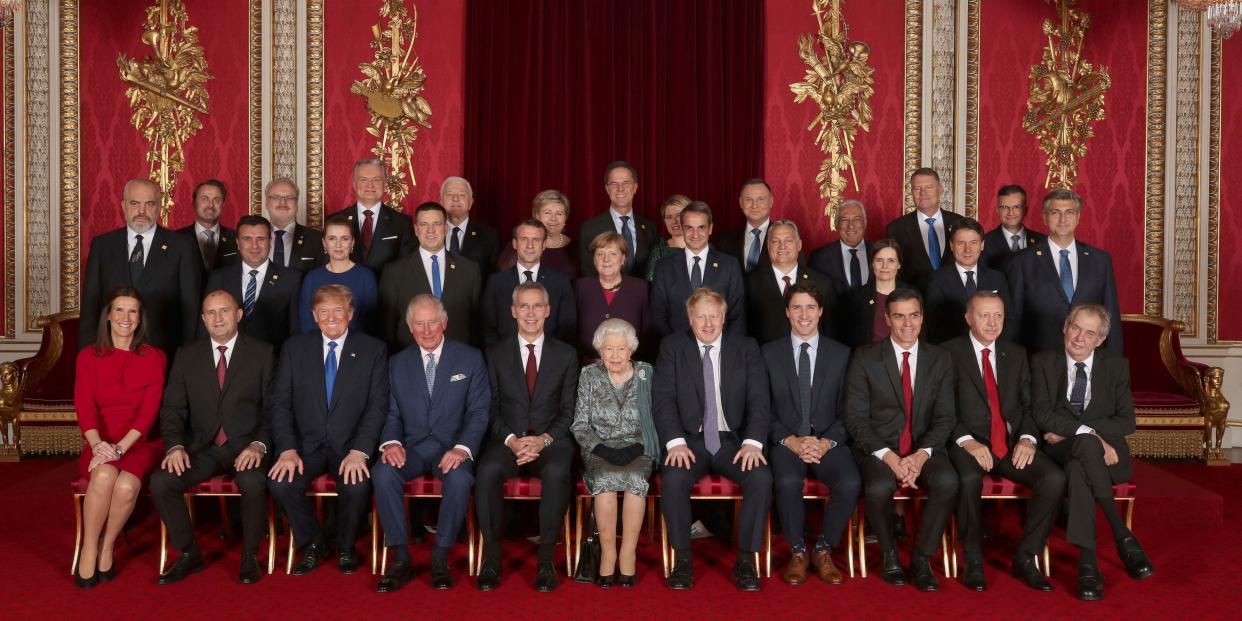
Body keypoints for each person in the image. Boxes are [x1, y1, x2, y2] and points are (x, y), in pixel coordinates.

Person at [1030, 304, 1154, 601]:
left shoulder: (1116, 365)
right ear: (1064, 326)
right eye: (1075, 328)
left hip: (1102, 458)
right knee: (1084, 446)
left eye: (1089, 333)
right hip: (1061, 449)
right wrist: (1092, 435)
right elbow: (1042, 413)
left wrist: (1078, 431)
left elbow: (1127, 421)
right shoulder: (1043, 361)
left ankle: (1088, 562)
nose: (1079, 338)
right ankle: (1122, 534)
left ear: (1100, 340)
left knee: (1078, 468)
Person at [151, 290, 275, 585]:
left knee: (253, 482)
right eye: (211, 313)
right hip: (203, 447)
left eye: (224, 311)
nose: (218, 318)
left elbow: (274, 409)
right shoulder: (187, 355)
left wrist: (259, 444)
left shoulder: (263, 352)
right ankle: (189, 553)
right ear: (203, 319)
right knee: (162, 481)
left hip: (245, 446)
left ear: (239, 315)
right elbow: (172, 409)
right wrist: (176, 446)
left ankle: (249, 558)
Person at [944, 292, 1065, 592]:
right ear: (968, 318)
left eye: (998, 315)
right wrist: (967, 441)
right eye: (984, 315)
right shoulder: (946, 353)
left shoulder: (1016, 353)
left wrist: (1027, 439)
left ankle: (1026, 557)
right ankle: (972, 557)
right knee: (970, 479)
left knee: (1053, 477)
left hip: (1009, 443)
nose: (992, 322)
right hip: (967, 442)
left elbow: (1027, 406)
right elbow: (941, 409)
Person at [267, 284, 389, 575]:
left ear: (350, 313)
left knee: (357, 485)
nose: (331, 317)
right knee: (280, 483)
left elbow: (377, 406)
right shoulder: (294, 348)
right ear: (314, 314)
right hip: (305, 445)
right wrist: (286, 449)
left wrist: (360, 451)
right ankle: (313, 542)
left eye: (338, 310)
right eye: (324, 311)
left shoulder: (373, 349)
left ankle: (346, 547)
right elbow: (280, 403)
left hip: (350, 445)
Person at [654, 289, 771, 592]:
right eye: (700, 317)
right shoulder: (673, 347)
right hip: (689, 441)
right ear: (690, 319)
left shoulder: (745, 347)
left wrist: (753, 443)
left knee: (760, 477)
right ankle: (682, 560)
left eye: (713, 316)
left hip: (733, 441)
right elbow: (663, 399)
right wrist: (675, 442)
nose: (707, 324)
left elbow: (759, 399)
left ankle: (746, 560)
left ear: (723, 317)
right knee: (674, 478)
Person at [372, 295, 490, 592]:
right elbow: (391, 412)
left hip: (451, 448)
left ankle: (440, 557)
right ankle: (401, 558)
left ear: (445, 323)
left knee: (461, 479)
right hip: (410, 448)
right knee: (383, 473)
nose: (427, 330)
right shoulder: (396, 364)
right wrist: (391, 443)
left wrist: (462, 449)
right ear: (410, 327)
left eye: (433, 322)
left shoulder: (470, 358)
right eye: (419, 324)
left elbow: (478, 412)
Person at [845, 288, 957, 591]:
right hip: (880, 449)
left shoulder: (940, 358)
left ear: (922, 318)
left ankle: (922, 558)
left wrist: (920, 456)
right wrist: (891, 458)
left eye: (914, 315)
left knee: (948, 481)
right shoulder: (865, 358)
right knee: (880, 485)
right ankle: (890, 555)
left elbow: (946, 417)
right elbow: (855, 419)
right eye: (899, 316)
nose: (907, 323)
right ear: (887, 319)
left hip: (925, 448)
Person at [476, 283, 580, 592]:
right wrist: (510, 439)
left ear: (547, 311)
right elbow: (489, 408)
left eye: (537, 306)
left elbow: (569, 409)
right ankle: (492, 559)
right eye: (524, 306)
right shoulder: (494, 354)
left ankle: (546, 560)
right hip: (507, 440)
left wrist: (544, 440)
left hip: (551, 441)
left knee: (558, 472)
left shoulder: (566, 354)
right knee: (487, 472)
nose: (531, 313)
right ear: (513, 311)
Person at [763, 283, 859, 586]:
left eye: (810, 307)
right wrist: (790, 440)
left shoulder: (842, 354)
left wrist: (826, 441)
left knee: (850, 481)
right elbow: (760, 409)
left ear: (820, 312)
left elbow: (850, 410)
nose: (803, 314)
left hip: (828, 441)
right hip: (786, 441)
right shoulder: (768, 353)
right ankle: (797, 550)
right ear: (787, 312)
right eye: (796, 307)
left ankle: (823, 548)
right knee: (788, 481)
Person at [72, 288, 167, 588]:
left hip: (139, 442)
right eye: (120, 310)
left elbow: (148, 413)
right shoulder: (88, 357)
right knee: (102, 477)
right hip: (98, 440)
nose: (126, 318)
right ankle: (89, 546)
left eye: (133, 311)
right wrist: (99, 444)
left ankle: (107, 545)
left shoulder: (154, 357)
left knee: (126, 484)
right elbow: (84, 406)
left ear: (140, 319)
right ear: (109, 315)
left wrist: (120, 448)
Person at [572, 319, 658, 588]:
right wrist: (601, 448)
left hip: (640, 448)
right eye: (609, 349)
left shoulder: (647, 374)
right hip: (598, 449)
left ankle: (628, 553)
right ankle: (608, 554)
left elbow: (657, 420)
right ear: (600, 350)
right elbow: (580, 424)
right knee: (606, 482)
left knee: (635, 481)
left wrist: (637, 447)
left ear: (631, 349)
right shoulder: (589, 375)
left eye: (621, 349)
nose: (616, 356)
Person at [80, 178, 201, 358]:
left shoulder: (182, 247)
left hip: (165, 355)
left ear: (159, 207)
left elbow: (191, 309)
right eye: (134, 203)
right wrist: (87, 356)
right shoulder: (102, 246)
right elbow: (91, 306)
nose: (142, 211)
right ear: (123, 205)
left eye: (149, 204)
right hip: (110, 354)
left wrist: (188, 359)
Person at [1008, 188, 1123, 353]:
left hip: (1089, 359)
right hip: (1038, 359)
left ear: (1078, 217)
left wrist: (1115, 362)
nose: (1063, 219)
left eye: (1069, 212)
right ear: (1045, 217)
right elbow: (1014, 320)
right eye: (1055, 212)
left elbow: (1111, 316)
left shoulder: (1100, 260)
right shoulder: (1022, 261)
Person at [378, 202, 482, 351]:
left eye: (437, 224)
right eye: (424, 224)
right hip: (411, 359)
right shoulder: (394, 271)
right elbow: (387, 328)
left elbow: (477, 324)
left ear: (446, 228)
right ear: (416, 229)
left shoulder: (470, 270)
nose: (430, 231)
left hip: (459, 358)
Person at [204, 214, 302, 352]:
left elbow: (295, 331)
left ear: (270, 241)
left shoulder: (291, 279)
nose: (254, 246)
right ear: (238, 243)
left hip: (275, 363)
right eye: (247, 239)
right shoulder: (219, 278)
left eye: (261, 239)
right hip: (228, 363)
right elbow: (207, 326)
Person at [650, 201, 746, 337]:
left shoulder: (729, 265)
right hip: (676, 350)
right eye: (689, 228)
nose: (695, 234)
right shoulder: (664, 266)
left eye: (701, 227)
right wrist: (675, 347)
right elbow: (658, 315)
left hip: (720, 351)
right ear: (682, 229)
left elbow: (737, 314)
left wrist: (725, 350)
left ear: (710, 229)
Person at [482, 219, 576, 348]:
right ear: (515, 243)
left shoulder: (560, 281)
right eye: (524, 239)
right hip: (505, 361)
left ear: (544, 245)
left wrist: (551, 358)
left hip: (551, 362)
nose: (530, 246)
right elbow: (488, 329)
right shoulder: (496, 282)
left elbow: (567, 327)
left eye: (536, 240)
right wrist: (500, 359)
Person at [924, 217, 1013, 344]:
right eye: (961, 243)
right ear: (951, 245)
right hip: (952, 351)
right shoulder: (937, 279)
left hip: (991, 349)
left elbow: (1009, 319)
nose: (968, 249)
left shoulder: (997, 278)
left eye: (973, 242)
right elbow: (933, 325)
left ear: (982, 245)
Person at [746, 220, 835, 344]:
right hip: (763, 359)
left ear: (799, 245)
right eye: (775, 241)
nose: (782, 246)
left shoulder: (822, 284)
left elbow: (830, 333)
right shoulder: (749, 283)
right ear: (768, 246)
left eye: (788, 240)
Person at [322, 159, 416, 273]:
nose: (370, 185)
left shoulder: (402, 223)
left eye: (376, 180)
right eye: (363, 180)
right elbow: (327, 264)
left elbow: (407, 266)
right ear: (354, 184)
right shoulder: (334, 220)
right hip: (346, 289)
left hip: (387, 289)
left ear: (385, 184)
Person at [297, 214, 379, 334]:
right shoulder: (312, 278)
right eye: (332, 238)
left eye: (344, 238)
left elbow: (371, 323)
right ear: (324, 243)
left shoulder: (366, 276)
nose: (338, 245)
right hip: (317, 347)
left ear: (353, 242)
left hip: (357, 347)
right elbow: (306, 322)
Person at [574, 232, 651, 359]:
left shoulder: (640, 288)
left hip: (630, 366)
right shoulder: (581, 286)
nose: (606, 259)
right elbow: (571, 331)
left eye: (612, 254)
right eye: (600, 254)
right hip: (586, 365)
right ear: (594, 259)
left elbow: (648, 334)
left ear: (623, 259)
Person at [885, 168, 964, 288]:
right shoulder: (896, 229)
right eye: (917, 188)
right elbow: (894, 272)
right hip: (914, 301)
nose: (923, 193)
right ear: (911, 192)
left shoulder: (960, 223)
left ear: (940, 189)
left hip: (955, 300)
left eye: (929, 187)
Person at [579, 161, 658, 277]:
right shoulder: (590, 228)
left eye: (626, 183)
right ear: (607, 189)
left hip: (643, 294)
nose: (620, 189)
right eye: (614, 184)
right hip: (603, 294)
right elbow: (588, 272)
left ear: (635, 187)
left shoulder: (650, 228)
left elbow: (654, 269)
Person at [841, 239, 908, 347]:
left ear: (899, 264)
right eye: (879, 260)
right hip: (868, 360)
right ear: (872, 263)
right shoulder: (856, 297)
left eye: (891, 260)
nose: (884, 266)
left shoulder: (912, 295)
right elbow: (849, 339)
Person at [498, 190, 579, 278]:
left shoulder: (575, 247)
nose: (553, 218)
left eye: (559, 213)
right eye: (547, 213)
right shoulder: (519, 245)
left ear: (565, 218)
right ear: (536, 215)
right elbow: (505, 278)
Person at [264, 177, 326, 274]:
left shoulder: (318, 239)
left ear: (296, 203)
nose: (283, 202)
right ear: (267, 203)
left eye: (289, 198)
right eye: (276, 197)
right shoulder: (252, 239)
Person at [176, 179, 238, 276]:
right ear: (194, 203)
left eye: (216, 200)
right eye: (205, 199)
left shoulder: (237, 239)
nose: (211, 205)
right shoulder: (176, 239)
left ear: (223, 204)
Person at [442, 176, 501, 275]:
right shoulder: (430, 232)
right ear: (441, 201)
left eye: (461, 195)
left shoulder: (489, 235)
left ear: (471, 202)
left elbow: (493, 276)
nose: (455, 199)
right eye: (449, 194)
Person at [810, 199, 872, 294]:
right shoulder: (819, 258)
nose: (851, 226)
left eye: (856, 219)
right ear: (836, 224)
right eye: (844, 220)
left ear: (865, 223)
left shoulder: (879, 253)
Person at [982, 185, 1045, 273]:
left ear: (1025, 210)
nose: (1010, 213)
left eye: (1016, 207)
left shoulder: (1043, 242)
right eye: (1004, 207)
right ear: (997, 211)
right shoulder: (984, 243)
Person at [718, 179, 774, 273]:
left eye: (760, 199)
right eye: (748, 199)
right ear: (741, 203)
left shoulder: (787, 237)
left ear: (771, 202)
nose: (754, 205)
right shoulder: (726, 240)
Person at [645, 194, 691, 282]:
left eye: (679, 215)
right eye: (669, 217)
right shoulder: (658, 252)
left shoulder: (706, 247)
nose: (674, 221)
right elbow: (651, 287)